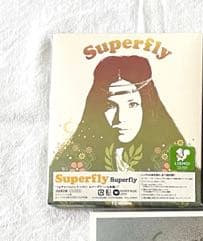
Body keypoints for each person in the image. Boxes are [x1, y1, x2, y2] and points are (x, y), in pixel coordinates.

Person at [51, 55, 190, 173]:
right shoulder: (71, 164)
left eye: (132, 104)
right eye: (110, 106)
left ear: (148, 107)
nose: (121, 118)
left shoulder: (176, 162)